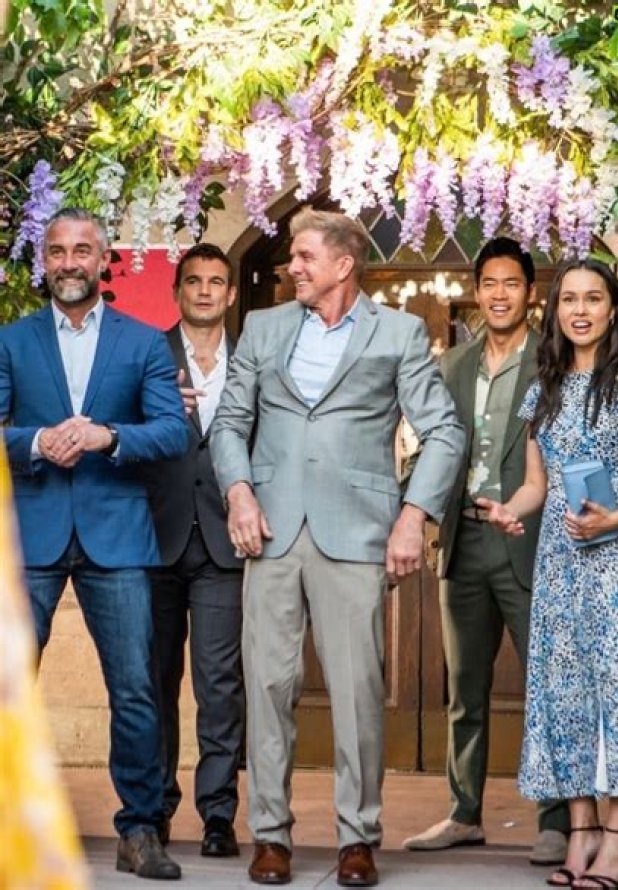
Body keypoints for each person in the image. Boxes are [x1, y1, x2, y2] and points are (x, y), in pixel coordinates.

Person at [210, 207, 465, 887]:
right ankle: (270, 835)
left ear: (343, 264)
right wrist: (239, 491)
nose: (292, 266)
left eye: (304, 256)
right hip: (269, 530)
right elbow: (230, 421)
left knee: (357, 691)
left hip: (356, 532)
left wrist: (413, 516)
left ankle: (358, 837)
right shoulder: (264, 328)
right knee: (268, 686)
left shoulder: (398, 333)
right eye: (292, 256)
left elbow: (444, 432)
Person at [479, 259, 618, 888]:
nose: (580, 310)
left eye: (593, 299)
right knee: (565, 693)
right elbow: (536, 485)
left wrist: (615, 516)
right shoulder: (543, 386)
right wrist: (509, 510)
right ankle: (582, 834)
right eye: (569, 299)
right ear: (555, 311)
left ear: (612, 308)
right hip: (560, 561)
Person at [0, 208, 187, 881]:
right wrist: (34, 442)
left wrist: (109, 436)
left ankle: (140, 830)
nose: (69, 262)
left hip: (118, 536)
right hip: (33, 532)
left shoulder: (143, 343)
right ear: (43, 261)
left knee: (135, 689)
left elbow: (173, 432)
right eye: (57, 251)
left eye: (82, 250)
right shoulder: (11, 341)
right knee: (8, 687)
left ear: (103, 260)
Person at [403, 238, 569, 864]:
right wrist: (412, 513)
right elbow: (429, 447)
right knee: (464, 688)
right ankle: (463, 812)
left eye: (511, 284)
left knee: (547, 685)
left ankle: (556, 820)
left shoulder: (555, 364)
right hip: (465, 540)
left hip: (532, 540)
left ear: (530, 293)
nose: (500, 295)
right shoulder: (452, 365)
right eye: (490, 284)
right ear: (477, 292)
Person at [143, 243, 245, 857]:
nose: (205, 291)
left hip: (223, 544)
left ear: (231, 293)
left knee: (219, 683)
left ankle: (218, 815)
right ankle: (154, 809)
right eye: (194, 281)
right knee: (154, 681)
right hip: (155, 540)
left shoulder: (253, 359)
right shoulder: (147, 355)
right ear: (177, 290)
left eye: (216, 281)